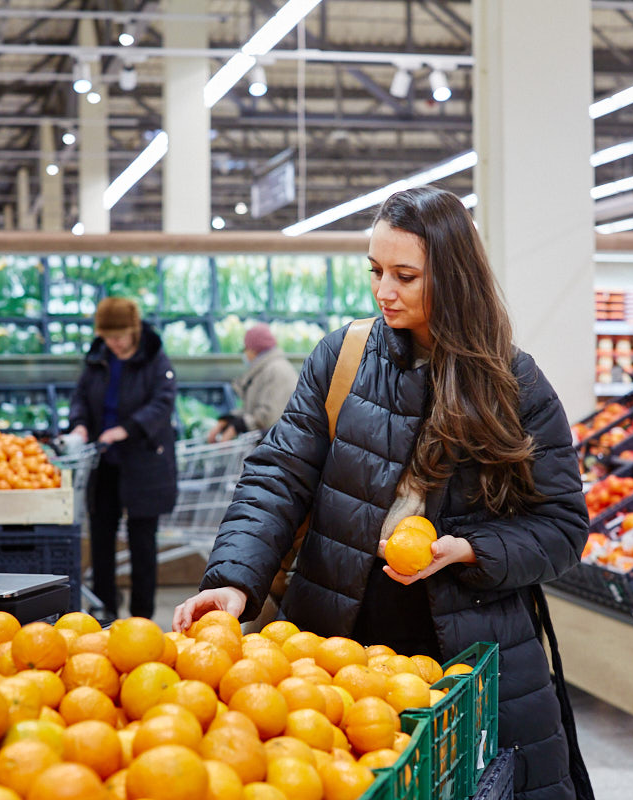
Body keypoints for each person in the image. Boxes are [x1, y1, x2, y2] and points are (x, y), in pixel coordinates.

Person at [173, 186, 590, 800]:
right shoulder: (341, 359)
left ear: (454, 278)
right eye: (375, 271)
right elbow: (277, 476)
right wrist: (233, 580)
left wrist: (470, 550)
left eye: (405, 275)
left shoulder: (514, 384)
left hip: (473, 660)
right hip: (333, 647)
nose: (384, 291)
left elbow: (561, 526)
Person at [69, 297, 177, 623]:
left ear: (133, 331)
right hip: (103, 463)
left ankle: (142, 616)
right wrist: (80, 423)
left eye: (118, 337)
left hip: (145, 461)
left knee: (142, 540)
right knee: (101, 537)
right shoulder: (98, 357)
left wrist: (126, 430)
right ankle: (105, 610)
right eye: (107, 337)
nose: (113, 344)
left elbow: (163, 402)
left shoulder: (155, 357)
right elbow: (80, 398)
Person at [207, 323, 299, 443]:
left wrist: (237, 426)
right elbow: (252, 410)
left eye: (245, 348)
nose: (244, 354)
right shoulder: (266, 370)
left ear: (254, 349)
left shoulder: (276, 371)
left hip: (279, 448)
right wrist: (229, 420)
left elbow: (267, 417)